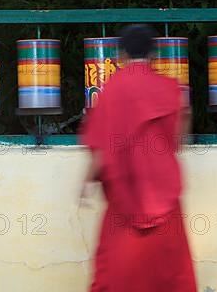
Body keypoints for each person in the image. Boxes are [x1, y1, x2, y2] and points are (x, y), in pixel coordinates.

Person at [80, 24, 196, 292]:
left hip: (124, 203)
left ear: (120, 55)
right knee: (168, 274)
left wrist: (86, 182)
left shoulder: (112, 89)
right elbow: (177, 140)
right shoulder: (169, 88)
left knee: (116, 276)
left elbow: (101, 143)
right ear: (154, 55)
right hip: (164, 202)